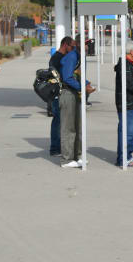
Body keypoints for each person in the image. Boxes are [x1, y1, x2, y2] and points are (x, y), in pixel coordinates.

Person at [59, 37, 95, 168]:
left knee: (78, 126)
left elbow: (79, 75)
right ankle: (66, 159)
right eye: (86, 44)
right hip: (68, 93)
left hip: (76, 93)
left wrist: (86, 83)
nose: (88, 46)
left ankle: (77, 156)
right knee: (69, 127)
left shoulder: (80, 56)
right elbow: (67, 77)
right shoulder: (72, 57)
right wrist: (82, 87)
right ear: (79, 44)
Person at [48, 36, 73, 157]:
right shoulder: (57, 58)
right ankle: (55, 148)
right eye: (71, 46)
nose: (72, 49)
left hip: (59, 92)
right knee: (57, 121)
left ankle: (57, 147)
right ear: (65, 45)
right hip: (57, 93)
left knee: (59, 121)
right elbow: (58, 76)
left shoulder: (59, 57)